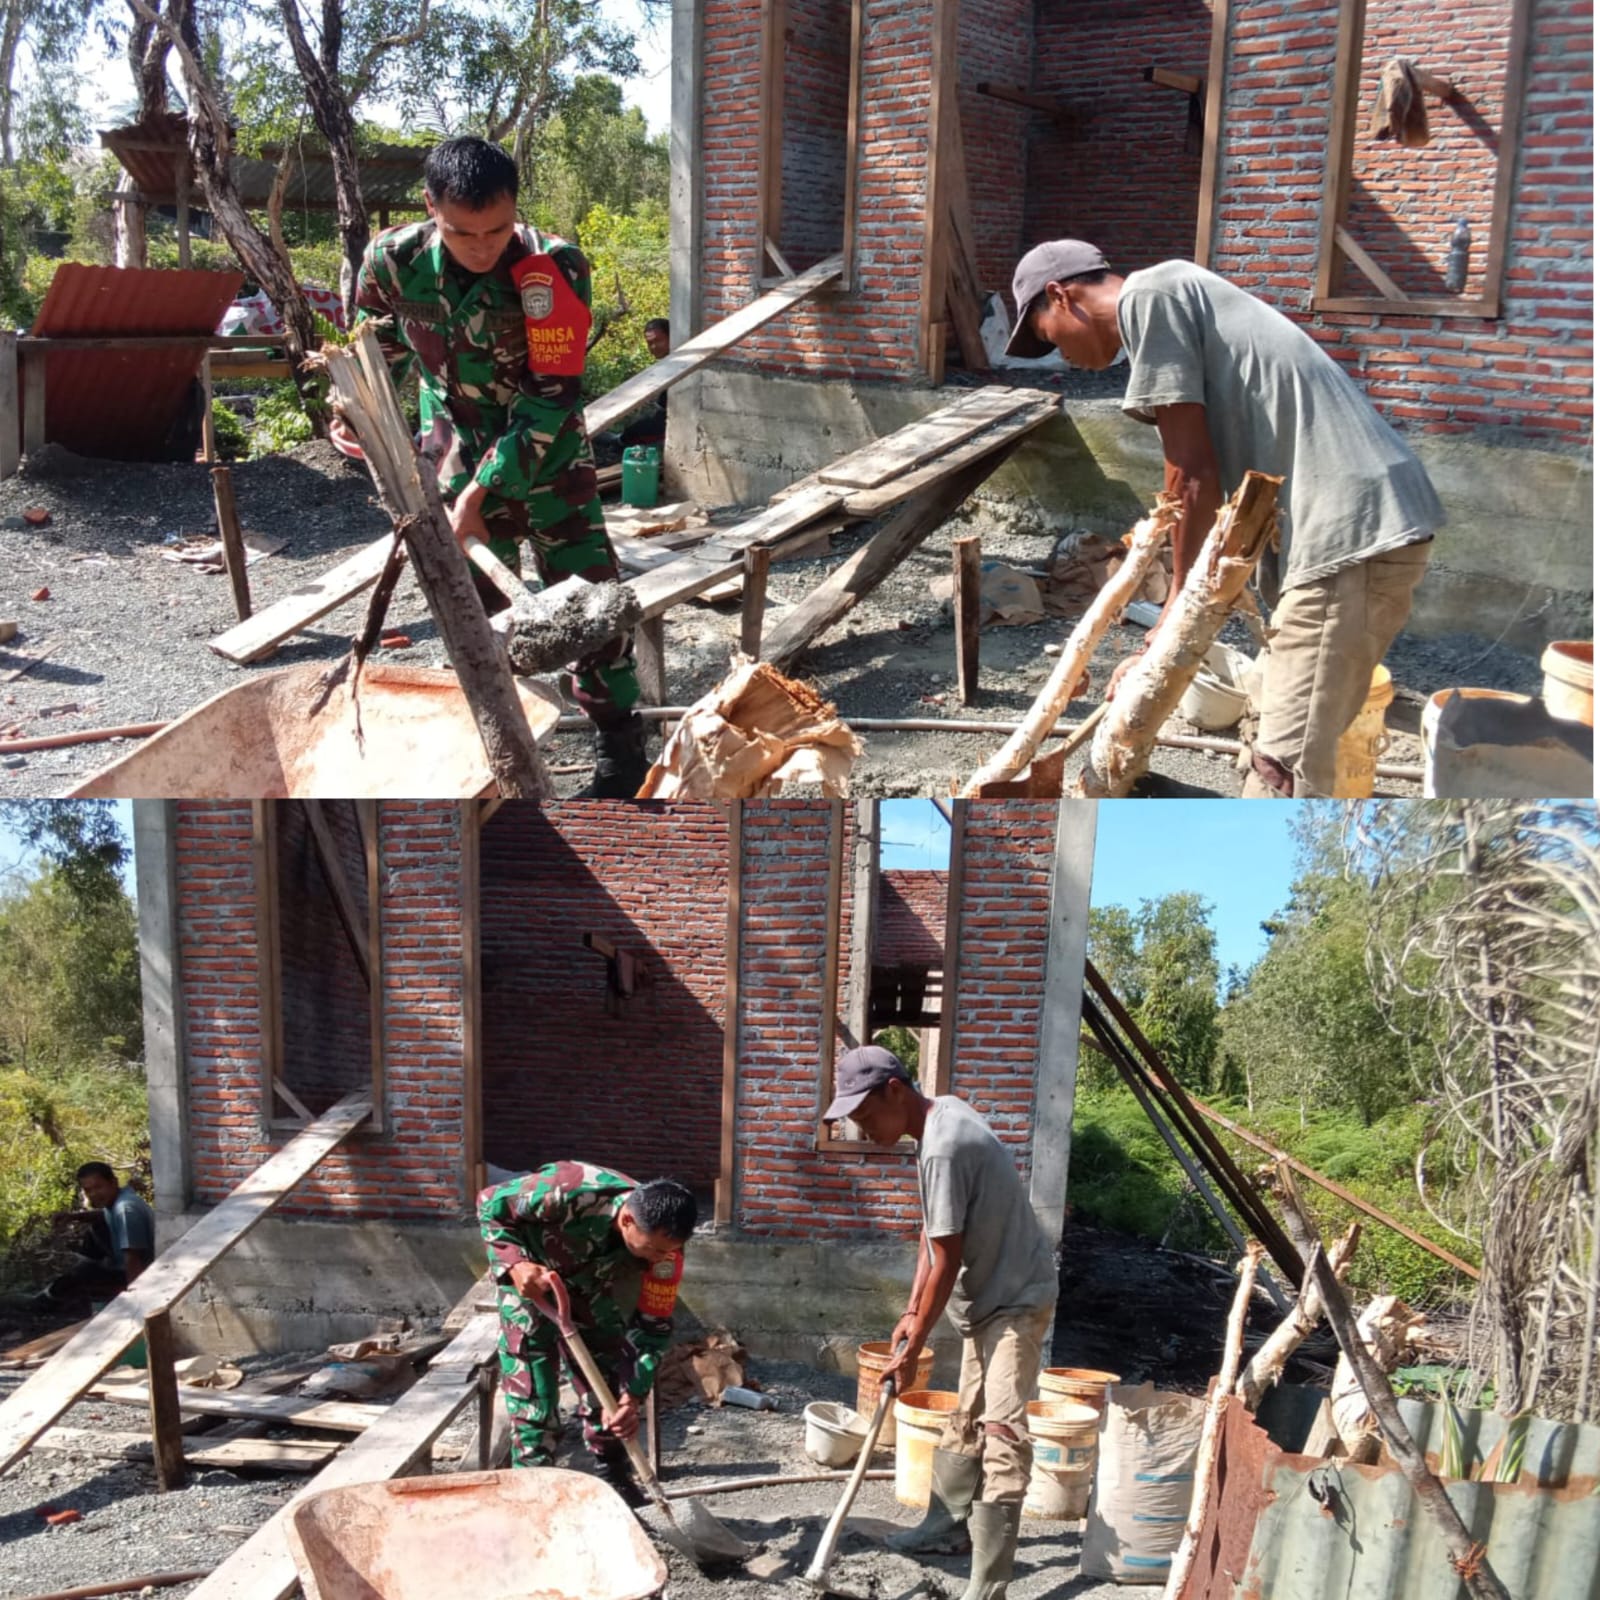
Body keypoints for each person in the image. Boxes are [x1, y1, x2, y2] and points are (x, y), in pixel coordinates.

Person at [1006, 239, 1445, 798]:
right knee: (1279, 725)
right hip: (1355, 531)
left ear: (1060, 295)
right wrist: (1158, 646)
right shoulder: (1177, 298)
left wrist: (1168, 619)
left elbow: (1190, 478)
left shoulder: (1152, 294)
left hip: (1349, 536)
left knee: (1280, 765)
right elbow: (1204, 495)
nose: (1058, 356)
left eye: (1047, 336)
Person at [343, 135, 649, 797]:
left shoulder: (553, 266)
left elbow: (551, 396)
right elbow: (374, 346)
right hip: (451, 447)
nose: (482, 247)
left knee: (592, 606)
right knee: (478, 617)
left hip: (548, 457)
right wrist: (354, 409)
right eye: (462, 232)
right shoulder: (393, 262)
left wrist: (481, 492)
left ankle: (621, 756)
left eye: (497, 229)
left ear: (516, 209)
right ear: (430, 207)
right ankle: (501, 757)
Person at [826, 1048, 1057, 1600]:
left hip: (1016, 1302)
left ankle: (988, 1584)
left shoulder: (943, 1148)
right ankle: (945, 1529)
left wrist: (914, 1348)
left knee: (1000, 1434)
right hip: (988, 1303)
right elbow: (933, 1239)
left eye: (864, 1116)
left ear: (896, 1091)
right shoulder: (941, 1116)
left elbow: (948, 1260)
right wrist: (910, 1314)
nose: (862, 1129)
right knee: (966, 1421)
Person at [477, 1163, 697, 1500]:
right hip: (532, 1284)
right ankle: (533, 1494)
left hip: (591, 1288)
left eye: (668, 1251)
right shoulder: (566, 1190)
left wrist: (631, 1395)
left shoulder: (667, 1254)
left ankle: (614, 1479)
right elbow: (489, 1202)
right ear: (627, 1221)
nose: (660, 1258)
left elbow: (653, 1328)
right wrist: (515, 1264)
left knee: (606, 1383)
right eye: (652, 1249)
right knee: (534, 1394)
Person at [40, 1163, 155, 1306]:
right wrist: (72, 1216)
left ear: (113, 1182)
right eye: (88, 1190)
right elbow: (104, 1215)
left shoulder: (126, 1210)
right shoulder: (119, 1201)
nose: (94, 1194)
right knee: (96, 1228)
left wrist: (137, 1299)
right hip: (126, 1267)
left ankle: (50, 1302)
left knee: (78, 1278)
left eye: (99, 1187)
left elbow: (133, 1258)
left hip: (146, 1274)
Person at [618, 319, 672, 452]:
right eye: (650, 343)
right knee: (634, 429)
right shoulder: (664, 364)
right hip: (661, 416)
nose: (654, 347)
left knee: (635, 432)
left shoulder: (677, 363)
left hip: (672, 422)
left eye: (658, 341)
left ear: (671, 338)